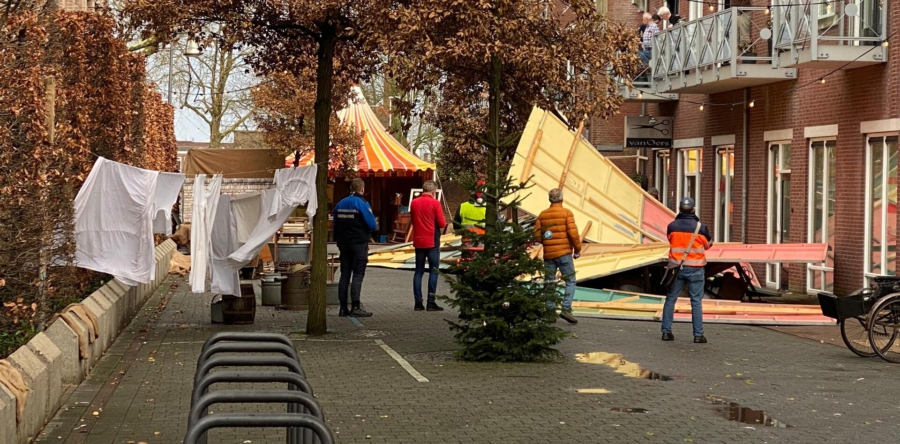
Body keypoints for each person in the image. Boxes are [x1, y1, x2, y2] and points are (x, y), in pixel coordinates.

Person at [661, 197, 713, 343]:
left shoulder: (672, 226)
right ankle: (698, 335)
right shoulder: (700, 228)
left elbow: (671, 241)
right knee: (696, 301)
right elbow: (708, 245)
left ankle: (666, 332)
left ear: (679, 209)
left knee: (671, 299)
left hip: (676, 268)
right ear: (693, 209)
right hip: (696, 269)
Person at [534, 189, 581, 324]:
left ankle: (550, 312)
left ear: (550, 199)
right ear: (561, 198)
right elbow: (573, 234)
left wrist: (548, 242)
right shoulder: (567, 213)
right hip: (564, 254)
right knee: (570, 281)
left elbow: (536, 236)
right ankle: (566, 309)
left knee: (549, 282)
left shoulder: (542, 215)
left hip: (549, 254)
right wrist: (577, 250)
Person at [333, 178, 377, 317]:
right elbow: (371, 224)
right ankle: (356, 306)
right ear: (362, 189)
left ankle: (342, 307)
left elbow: (335, 225)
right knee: (358, 274)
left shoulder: (340, 203)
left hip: (344, 244)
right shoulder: (362, 203)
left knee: (344, 274)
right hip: (359, 244)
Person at [409, 180, 447, 311]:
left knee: (418, 272)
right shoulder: (435, 203)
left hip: (419, 241)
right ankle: (431, 302)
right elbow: (442, 223)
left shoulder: (414, 203)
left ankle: (418, 303)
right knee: (433, 271)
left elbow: (413, 221)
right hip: (432, 242)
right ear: (433, 192)